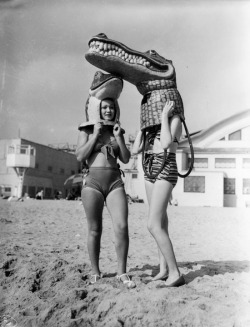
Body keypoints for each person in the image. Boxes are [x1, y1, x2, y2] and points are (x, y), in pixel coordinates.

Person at [75, 98, 136, 288]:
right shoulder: (86, 130)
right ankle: (95, 271)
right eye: (104, 107)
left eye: (111, 107)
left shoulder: (118, 130)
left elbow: (125, 159)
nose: (108, 110)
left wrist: (118, 137)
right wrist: (95, 136)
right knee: (94, 229)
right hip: (92, 182)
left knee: (122, 226)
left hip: (115, 182)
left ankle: (122, 272)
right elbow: (79, 156)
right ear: (97, 110)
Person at [132, 99, 185, 287]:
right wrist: (142, 127)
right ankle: (163, 269)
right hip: (149, 168)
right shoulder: (151, 126)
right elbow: (135, 149)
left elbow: (165, 143)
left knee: (153, 224)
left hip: (165, 166)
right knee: (160, 221)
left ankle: (174, 271)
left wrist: (164, 116)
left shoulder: (175, 119)